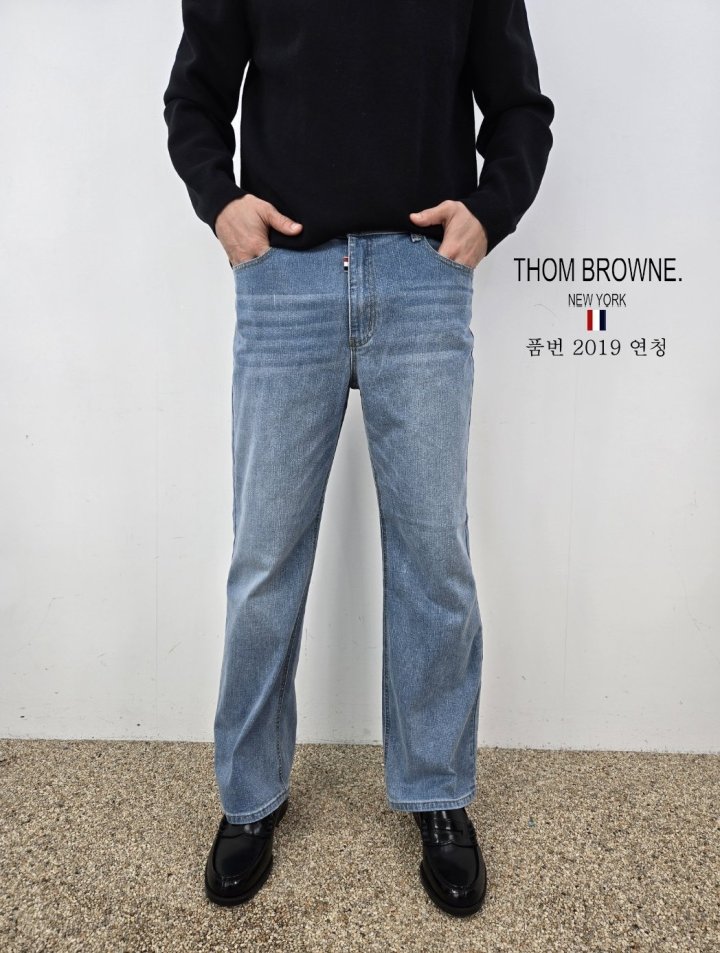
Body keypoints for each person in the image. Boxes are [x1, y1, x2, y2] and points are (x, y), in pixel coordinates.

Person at [163, 0, 554, 917]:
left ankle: (437, 789)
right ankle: (249, 797)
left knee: (434, 557)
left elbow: (519, 107)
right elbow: (195, 95)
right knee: (265, 558)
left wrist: (490, 211)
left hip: (421, 278)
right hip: (285, 279)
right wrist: (220, 201)